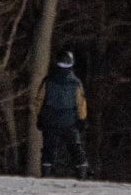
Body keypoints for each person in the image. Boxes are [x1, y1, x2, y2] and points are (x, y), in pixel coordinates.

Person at [33, 49, 89, 179]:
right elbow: (81, 102)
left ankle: (46, 172)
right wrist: (82, 119)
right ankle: (82, 171)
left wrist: (39, 116)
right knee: (75, 147)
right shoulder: (76, 82)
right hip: (69, 121)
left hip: (50, 120)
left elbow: (39, 100)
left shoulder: (48, 80)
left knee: (48, 148)